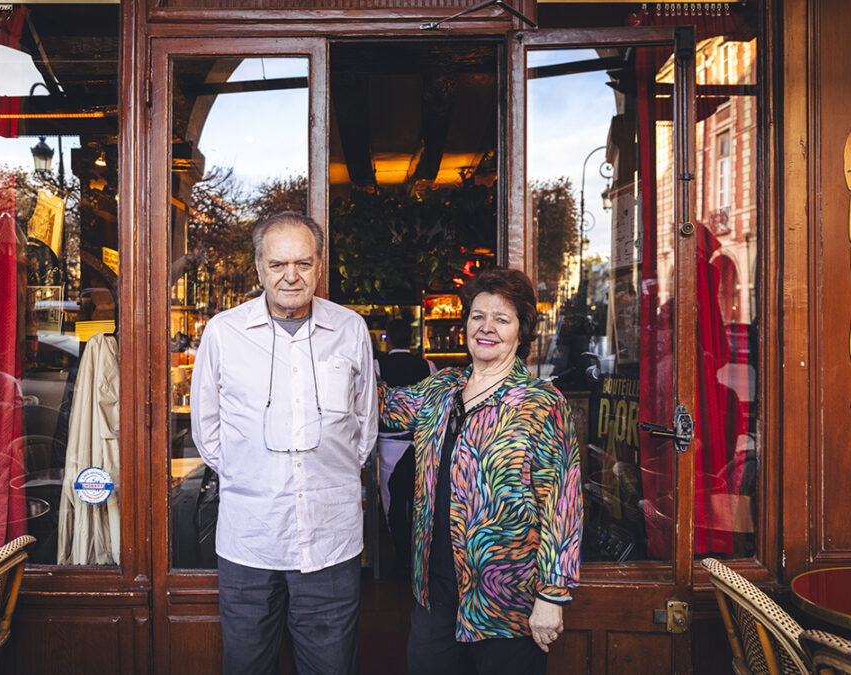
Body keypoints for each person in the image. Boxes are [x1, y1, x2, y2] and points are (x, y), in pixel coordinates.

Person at [190, 211, 378, 675]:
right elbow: (207, 430)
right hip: (249, 540)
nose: (291, 276)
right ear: (259, 268)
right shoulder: (223, 332)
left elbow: (364, 427)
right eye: (278, 265)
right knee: (247, 664)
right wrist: (255, 477)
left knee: (331, 666)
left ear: (319, 266)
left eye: (303, 263)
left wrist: (324, 476)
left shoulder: (351, 328)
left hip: (330, 540)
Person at [379, 267, 582, 675]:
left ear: (521, 333)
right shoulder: (441, 388)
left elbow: (563, 504)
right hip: (435, 593)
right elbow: (379, 405)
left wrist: (552, 596)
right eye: (477, 316)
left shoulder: (540, 403)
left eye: (501, 319)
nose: (486, 328)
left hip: (506, 601)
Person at [375, 317, 434, 574]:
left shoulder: (378, 366)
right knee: (420, 501)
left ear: (387, 339)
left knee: (392, 503)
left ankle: (400, 557)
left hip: (389, 443)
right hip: (420, 444)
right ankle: (418, 557)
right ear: (411, 339)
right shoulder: (427, 365)